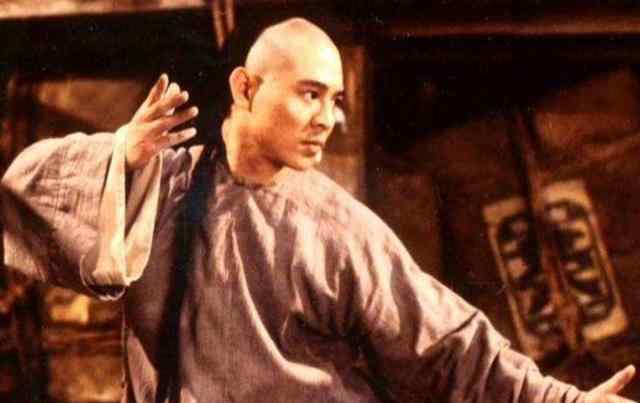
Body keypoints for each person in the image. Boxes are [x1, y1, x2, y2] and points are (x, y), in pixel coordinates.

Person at [2, 17, 637, 403]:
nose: (329, 119)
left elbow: (447, 343)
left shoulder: (338, 229)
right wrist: (120, 154)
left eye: (335, 101)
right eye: (310, 94)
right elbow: (24, 189)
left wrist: (559, 399)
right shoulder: (160, 190)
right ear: (245, 87)